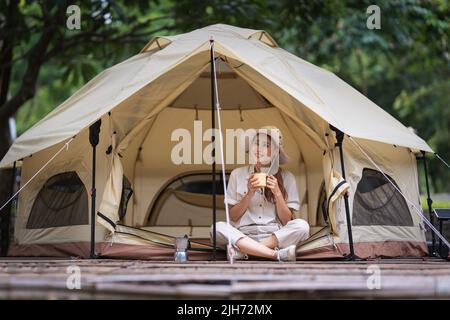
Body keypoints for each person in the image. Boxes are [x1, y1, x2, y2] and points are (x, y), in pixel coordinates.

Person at [210, 126, 310, 261]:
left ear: (275, 151)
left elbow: (287, 221)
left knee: (302, 226)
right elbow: (233, 217)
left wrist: (277, 193)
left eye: (266, 145)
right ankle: (275, 255)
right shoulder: (237, 174)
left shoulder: (287, 177)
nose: (258, 149)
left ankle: (247, 252)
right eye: (256, 143)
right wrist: (249, 193)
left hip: (274, 236)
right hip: (243, 235)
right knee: (217, 228)